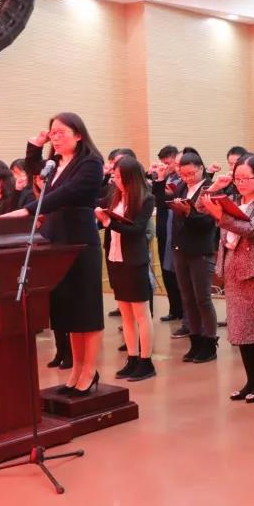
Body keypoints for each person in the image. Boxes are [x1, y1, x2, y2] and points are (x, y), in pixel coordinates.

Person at [4, 112, 105, 395]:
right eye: (53, 133)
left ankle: (89, 370)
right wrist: (35, 146)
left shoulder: (91, 163)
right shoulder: (55, 164)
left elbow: (68, 193)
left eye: (61, 132)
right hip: (55, 240)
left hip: (80, 240)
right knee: (68, 310)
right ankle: (76, 369)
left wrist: (28, 210)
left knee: (86, 310)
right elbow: (33, 170)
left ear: (78, 135)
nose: (56, 138)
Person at [200, 155, 254, 403]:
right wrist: (214, 187)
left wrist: (221, 216)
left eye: (246, 178)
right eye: (237, 178)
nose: (241, 182)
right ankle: (250, 381)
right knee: (241, 330)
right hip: (233, 272)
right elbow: (200, 207)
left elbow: (252, 229)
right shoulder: (231, 201)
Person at [152, 151, 221, 364]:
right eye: (184, 174)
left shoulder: (210, 188)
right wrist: (160, 180)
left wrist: (189, 212)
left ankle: (209, 343)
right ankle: (195, 341)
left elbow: (208, 223)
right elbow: (163, 203)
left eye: (191, 173)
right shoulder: (182, 187)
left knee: (203, 299)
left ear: (201, 168)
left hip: (200, 250)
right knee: (187, 298)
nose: (188, 178)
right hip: (180, 248)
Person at [96, 156, 157, 381]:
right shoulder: (114, 195)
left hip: (134, 260)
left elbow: (137, 230)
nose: (115, 181)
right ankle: (132, 358)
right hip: (115, 259)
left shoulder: (146, 198)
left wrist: (109, 222)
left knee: (141, 313)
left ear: (131, 177)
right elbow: (103, 220)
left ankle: (146, 361)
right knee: (125, 313)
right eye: (114, 176)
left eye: (119, 177)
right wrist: (100, 217)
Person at [150, 145, 185, 326]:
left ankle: (184, 310)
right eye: (163, 162)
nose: (166, 165)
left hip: (178, 230)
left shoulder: (182, 179)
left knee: (178, 272)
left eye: (168, 162)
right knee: (166, 270)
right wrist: (157, 177)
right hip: (164, 229)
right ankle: (174, 308)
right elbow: (157, 200)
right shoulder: (164, 178)